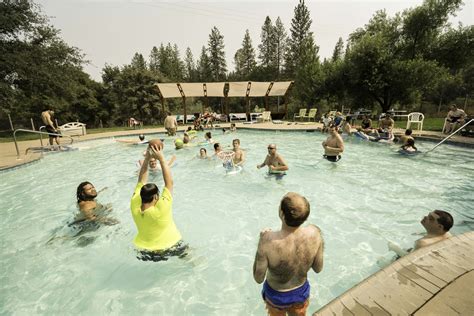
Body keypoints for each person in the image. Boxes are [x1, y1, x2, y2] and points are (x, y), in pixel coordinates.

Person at [253, 192, 324, 315]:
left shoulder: (267, 241)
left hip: (276, 296)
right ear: (306, 216)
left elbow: (258, 278)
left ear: (281, 213)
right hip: (300, 293)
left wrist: (261, 243)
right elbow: (318, 268)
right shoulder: (315, 233)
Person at [130, 141, 186, 261]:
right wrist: (161, 158)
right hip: (170, 247)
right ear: (156, 197)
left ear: (141, 195)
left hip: (143, 252)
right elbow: (169, 183)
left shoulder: (134, 204)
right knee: (193, 260)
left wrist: (146, 159)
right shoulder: (161, 209)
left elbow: (141, 180)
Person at [388, 210, 453, 257]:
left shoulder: (422, 243)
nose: (425, 217)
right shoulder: (448, 235)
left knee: (381, 261)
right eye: (428, 215)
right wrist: (422, 233)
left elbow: (408, 259)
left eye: (430, 218)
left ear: (439, 226)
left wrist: (394, 247)